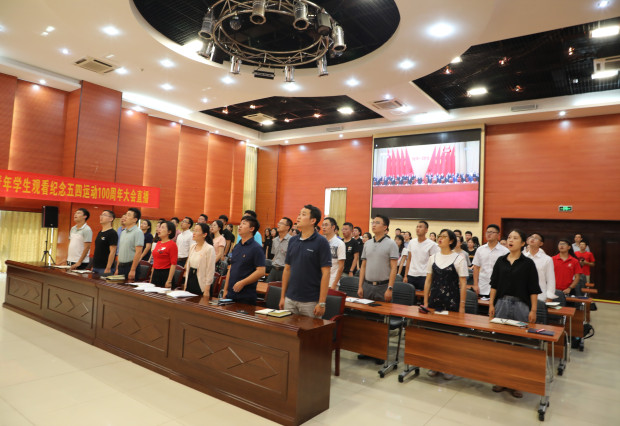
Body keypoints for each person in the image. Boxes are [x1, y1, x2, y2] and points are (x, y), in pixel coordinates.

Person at [489, 229, 541, 399]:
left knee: (520, 345)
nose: (511, 240)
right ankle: (501, 379)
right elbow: (494, 285)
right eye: (509, 237)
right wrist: (491, 304)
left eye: (515, 238)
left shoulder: (528, 264)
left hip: (521, 306)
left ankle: (517, 383)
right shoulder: (500, 261)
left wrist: (533, 310)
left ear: (523, 243)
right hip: (501, 304)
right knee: (500, 344)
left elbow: (533, 289)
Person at [424, 229, 468, 379]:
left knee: (450, 336)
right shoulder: (433, 257)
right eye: (439, 236)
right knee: (434, 335)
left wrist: (462, 305)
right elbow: (428, 280)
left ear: (451, 241)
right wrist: (425, 302)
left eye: (444, 236)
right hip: (434, 301)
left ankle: (449, 367)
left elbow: (463, 283)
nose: (440, 238)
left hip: (451, 302)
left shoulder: (459, 259)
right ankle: (434, 365)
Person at [279, 205, 331, 317]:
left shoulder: (321, 242)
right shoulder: (293, 240)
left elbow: (326, 273)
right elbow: (287, 269)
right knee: (288, 328)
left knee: (310, 328)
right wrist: (283, 297)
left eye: (303, 215)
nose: (298, 217)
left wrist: (322, 303)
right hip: (290, 299)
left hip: (310, 301)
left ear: (313, 220)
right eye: (299, 214)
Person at [223, 215, 266, 305]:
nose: (240, 226)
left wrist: (243, 283)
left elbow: (261, 271)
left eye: (244, 224)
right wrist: (225, 289)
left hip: (246, 296)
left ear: (251, 229)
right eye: (240, 223)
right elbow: (231, 268)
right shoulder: (237, 246)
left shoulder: (256, 248)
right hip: (230, 293)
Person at [357, 215, 399, 302]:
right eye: (373, 222)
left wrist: (390, 288)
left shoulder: (391, 244)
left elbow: (394, 268)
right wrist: (360, 286)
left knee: (383, 310)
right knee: (365, 310)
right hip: (367, 286)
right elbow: (363, 266)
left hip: (383, 287)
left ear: (385, 227)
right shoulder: (367, 243)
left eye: (377, 223)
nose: (374, 225)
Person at [472, 224, 509, 297]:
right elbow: (476, 268)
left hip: (498, 287)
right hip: (482, 286)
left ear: (498, 235)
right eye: (487, 232)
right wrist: (475, 285)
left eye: (492, 232)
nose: (489, 234)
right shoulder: (480, 249)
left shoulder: (505, 251)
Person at [404, 220, 439, 290]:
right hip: (411, 275)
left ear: (426, 230)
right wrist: (405, 275)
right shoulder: (412, 242)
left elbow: (433, 263)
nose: (418, 228)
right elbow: (409, 259)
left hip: (424, 276)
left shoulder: (432, 244)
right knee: (410, 295)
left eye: (420, 227)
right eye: (417, 227)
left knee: (424, 295)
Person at [524, 233, 557, 302]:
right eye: (531, 237)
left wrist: (549, 297)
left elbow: (551, 280)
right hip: (523, 295)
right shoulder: (522, 257)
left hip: (540, 296)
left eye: (536, 238)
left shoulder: (547, 259)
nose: (533, 239)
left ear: (541, 243)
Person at [184, 223, 215, 296]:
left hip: (201, 282)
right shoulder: (192, 246)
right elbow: (188, 267)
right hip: (191, 278)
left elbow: (210, 271)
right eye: (194, 230)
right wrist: (185, 284)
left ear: (204, 234)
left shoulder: (209, 248)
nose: (194, 233)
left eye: (197, 231)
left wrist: (207, 290)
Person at [116, 208, 145, 280]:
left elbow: (138, 252)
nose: (125, 217)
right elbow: (120, 251)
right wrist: (117, 268)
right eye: (126, 214)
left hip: (130, 267)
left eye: (128, 215)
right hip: (121, 267)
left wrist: (132, 270)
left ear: (135, 219)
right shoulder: (123, 232)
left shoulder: (138, 232)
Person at [150, 221, 178, 288]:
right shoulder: (158, 243)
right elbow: (155, 261)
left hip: (165, 274)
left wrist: (169, 281)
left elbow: (173, 264)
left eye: (162, 227)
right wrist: (151, 276)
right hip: (155, 273)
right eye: (159, 227)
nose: (159, 229)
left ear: (169, 232)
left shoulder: (172, 245)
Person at [91, 210, 117, 275]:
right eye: (101, 215)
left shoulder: (112, 233)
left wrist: (108, 267)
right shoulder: (100, 232)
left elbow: (113, 252)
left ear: (111, 219)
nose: (101, 217)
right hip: (96, 267)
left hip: (105, 268)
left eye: (104, 215)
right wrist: (93, 265)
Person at [323, 217, 346, 290]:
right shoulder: (321, 242)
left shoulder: (340, 243)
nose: (323, 227)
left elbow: (341, 267)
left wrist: (334, 283)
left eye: (326, 225)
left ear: (333, 227)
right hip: (320, 281)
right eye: (323, 225)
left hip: (331, 282)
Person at [267, 217, 292, 282]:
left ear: (287, 227)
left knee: (284, 288)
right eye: (279, 223)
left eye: (281, 223)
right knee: (267, 286)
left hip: (285, 270)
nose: (278, 225)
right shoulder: (275, 240)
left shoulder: (292, 240)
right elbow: (274, 255)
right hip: (274, 269)